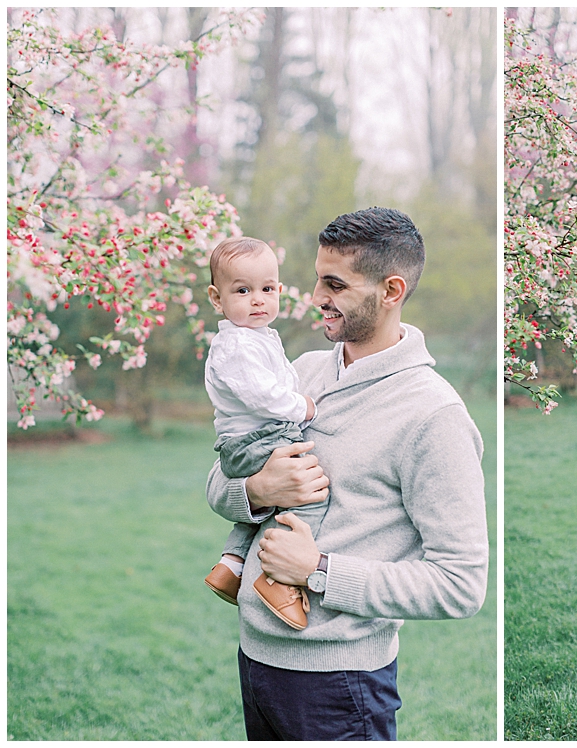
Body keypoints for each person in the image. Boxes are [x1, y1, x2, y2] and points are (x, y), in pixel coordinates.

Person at [205, 207, 489, 741]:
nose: (315, 296)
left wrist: (318, 570)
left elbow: (461, 585)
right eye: (317, 278)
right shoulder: (301, 370)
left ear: (391, 290)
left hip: (340, 685)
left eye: (335, 284)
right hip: (256, 660)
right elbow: (219, 480)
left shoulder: (433, 415)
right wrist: (257, 491)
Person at [202, 236, 321, 631]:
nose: (257, 300)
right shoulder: (235, 344)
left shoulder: (257, 337)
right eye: (242, 290)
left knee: (268, 504)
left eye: (267, 289)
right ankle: (279, 580)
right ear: (217, 299)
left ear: (280, 291)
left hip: (256, 438)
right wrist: (300, 406)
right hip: (254, 441)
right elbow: (262, 395)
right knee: (303, 492)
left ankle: (232, 565)